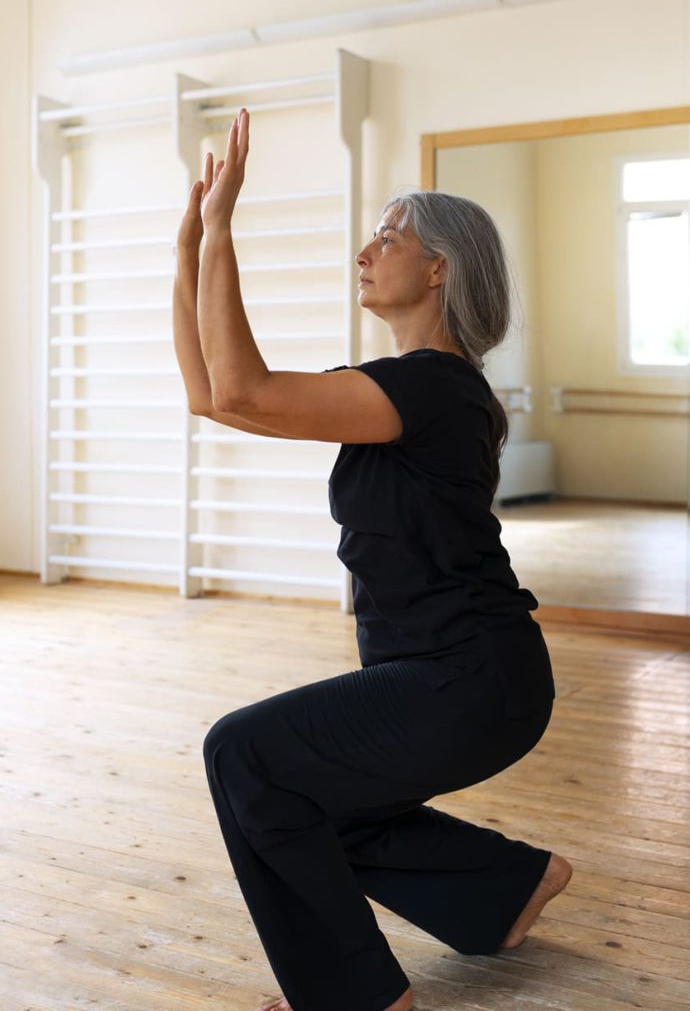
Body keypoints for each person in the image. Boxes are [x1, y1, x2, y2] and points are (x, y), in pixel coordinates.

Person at [173, 107, 573, 1011]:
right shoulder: (404, 389)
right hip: (446, 675)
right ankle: (504, 887)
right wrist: (190, 249)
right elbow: (212, 397)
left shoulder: (430, 389)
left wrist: (225, 230)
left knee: (246, 757)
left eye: (387, 237)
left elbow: (241, 387)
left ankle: (353, 996)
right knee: (300, 801)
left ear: (439, 269)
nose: (366, 250)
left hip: (467, 678)